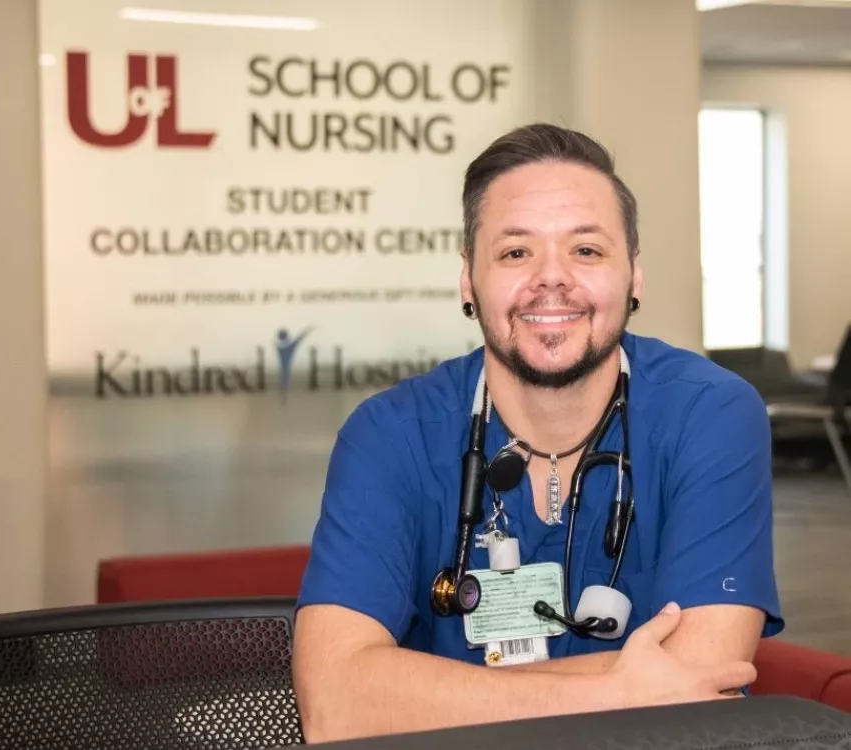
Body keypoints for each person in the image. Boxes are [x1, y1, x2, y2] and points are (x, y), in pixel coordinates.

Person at [292, 123, 784, 743]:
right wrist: (616, 691)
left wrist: (425, 693)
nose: (552, 278)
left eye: (586, 250)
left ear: (634, 275)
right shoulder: (391, 436)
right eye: (516, 251)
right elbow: (335, 705)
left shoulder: (710, 414)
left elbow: (702, 682)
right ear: (469, 279)